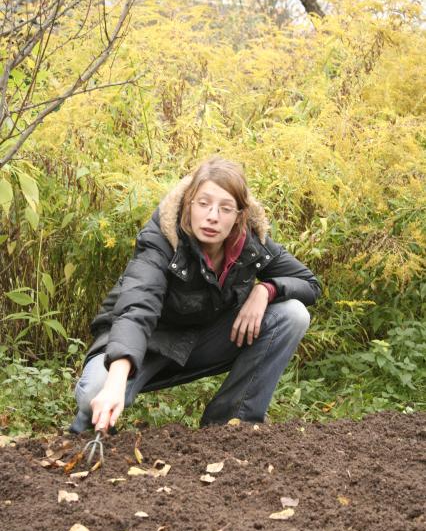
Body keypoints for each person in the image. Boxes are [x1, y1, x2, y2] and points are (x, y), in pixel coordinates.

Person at [69, 157, 321, 434]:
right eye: (203, 204)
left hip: (205, 340)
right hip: (149, 342)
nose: (213, 216)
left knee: (292, 314)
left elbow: (308, 283)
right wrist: (115, 381)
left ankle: (230, 426)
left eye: (225, 208)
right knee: (96, 390)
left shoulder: (250, 243)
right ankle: (93, 426)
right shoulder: (162, 239)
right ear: (189, 203)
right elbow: (137, 308)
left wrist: (265, 290)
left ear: (239, 215)